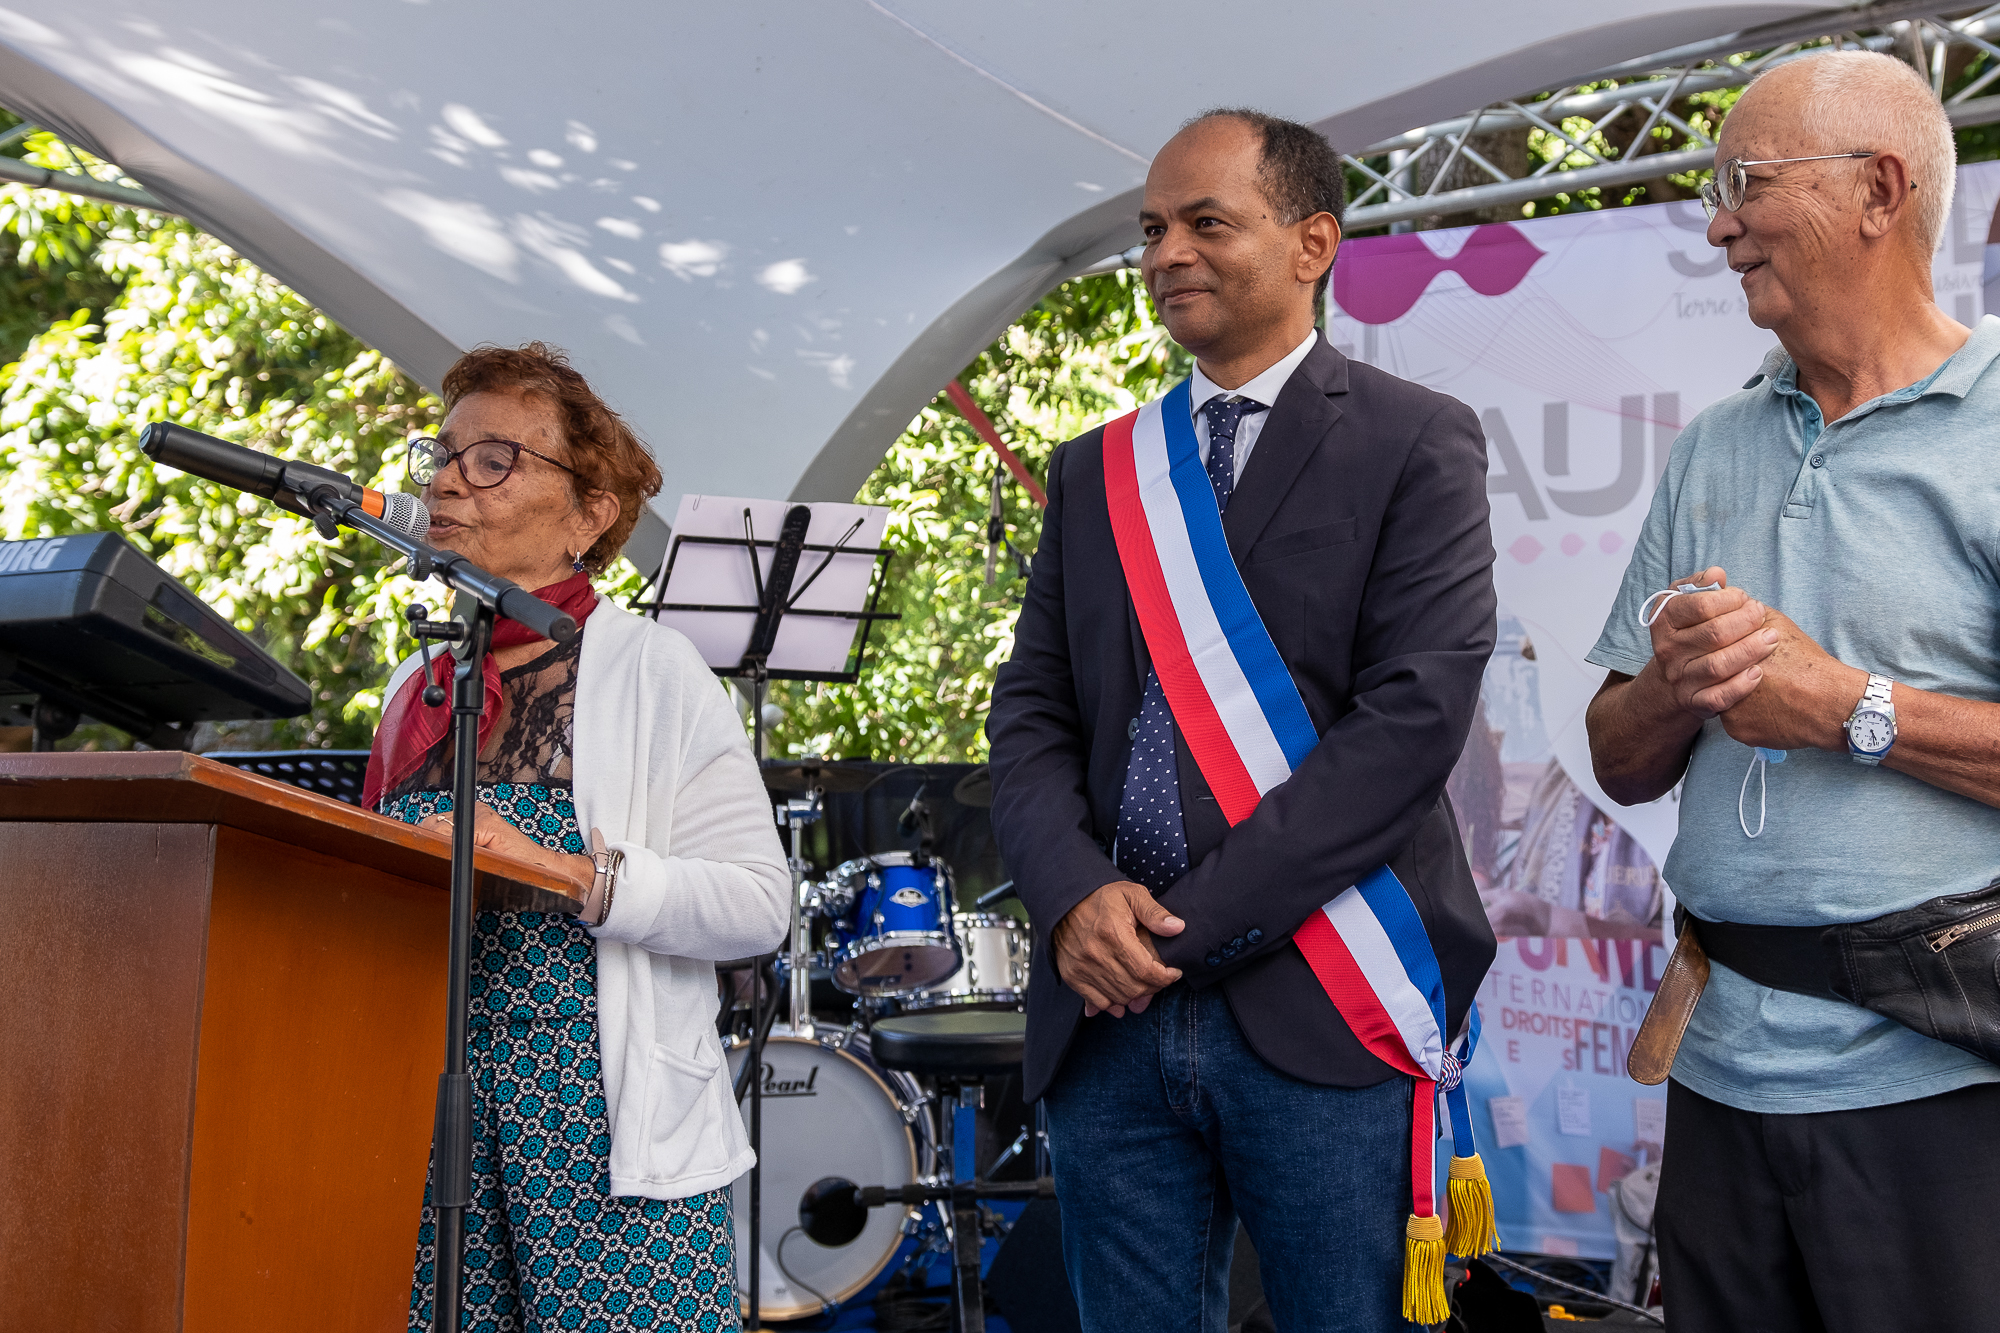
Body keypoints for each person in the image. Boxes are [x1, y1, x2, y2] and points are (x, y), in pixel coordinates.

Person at [985, 109, 1497, 1332]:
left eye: (1206, 223)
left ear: (1311, 241)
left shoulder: (1413, 439)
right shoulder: (1096, 469)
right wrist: (1071, 901)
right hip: (1106, 1011)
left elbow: (1409, 722)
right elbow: (1031, 712)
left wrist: (1174, 927)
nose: (1167, 253)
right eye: (1153, 228)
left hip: (1320, 990)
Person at [1584, 51, 2000, 1331]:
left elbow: (1831, 706)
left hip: (1937, 1080)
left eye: (1744, 181)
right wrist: (1671, 683)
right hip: (1718, 1077)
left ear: (1877, 191)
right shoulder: (1712, 440)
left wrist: (1844, 707)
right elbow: (1615, 755)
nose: (1714, 220)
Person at [360, 342, 791, 1332]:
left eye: (494, 458)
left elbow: (757, 906)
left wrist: (570, 877)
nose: (445, 480)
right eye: (443, 452)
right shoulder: (412, 691)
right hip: (425, 1123)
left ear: (590, 513)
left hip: (605, 1139)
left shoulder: (654, 669)